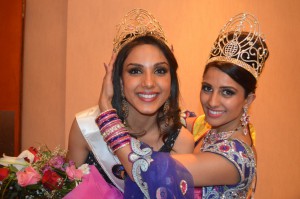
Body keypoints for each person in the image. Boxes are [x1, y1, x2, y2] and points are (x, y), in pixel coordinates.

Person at [95, 13, 269, 198]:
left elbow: (146, 172)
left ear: (248, 100)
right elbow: (180, 117)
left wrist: (107, 114)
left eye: (227, 92)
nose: (212, 101)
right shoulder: (207, 128)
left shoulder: (235, 159)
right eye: (207, 88)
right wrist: (160, 84)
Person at [67, 8, 194, 194]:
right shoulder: (85, 128)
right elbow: (67, 191)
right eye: (135, 71)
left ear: (171, 80)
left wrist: (106, 110)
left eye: (160, 71)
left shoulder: (181, 143)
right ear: (118, 80)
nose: (149, 83)